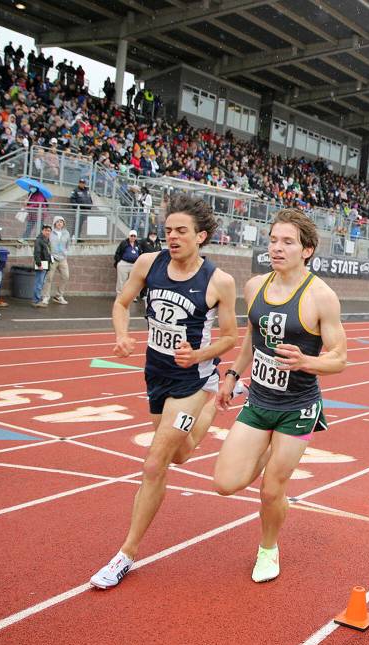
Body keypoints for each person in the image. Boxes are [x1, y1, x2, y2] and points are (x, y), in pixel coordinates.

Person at [90, 195, 239, 589]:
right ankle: (214, 407)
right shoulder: (147, 263)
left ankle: (125, 554)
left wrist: (200, 355)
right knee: (183, 454)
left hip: (191, 379)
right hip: (155, 373)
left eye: (181, 231)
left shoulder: (218, 281)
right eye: (168, 230)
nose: (171, 237)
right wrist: (122, 335)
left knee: (155, 462)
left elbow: (230, 337)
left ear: (201, 236)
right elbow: (121, 303)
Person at [213, 208, 347, 583]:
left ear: (307, 250)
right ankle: (268, 448)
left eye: (287, 241)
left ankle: (268, 549)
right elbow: (251, 340)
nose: (277, 247)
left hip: (298, 407)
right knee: (225, 483)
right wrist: (232, 375)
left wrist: (307, 361)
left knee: (272, 489)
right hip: (259, 401)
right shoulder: (255, 286)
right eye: (273, 240)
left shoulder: (321, 296)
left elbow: (340, 358)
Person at [43, 215, 71, 305]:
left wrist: (65, 252)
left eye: (61, 222)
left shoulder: (66, 233)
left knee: (66, 276)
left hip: (63, 258)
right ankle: (46, 297)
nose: (59, 223)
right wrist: (49, 254)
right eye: (58, 222)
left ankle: (58, 296)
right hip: (52, 258)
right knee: (49, 278)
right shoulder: (50, 232)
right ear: (54, 223)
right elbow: (46, 244)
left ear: (63, 223)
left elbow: (68, 244)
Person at [114, 230, 141, 296]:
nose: (133, 237)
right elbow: (117, 253)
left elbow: (140, 253)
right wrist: (119, 261)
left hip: (134, 265)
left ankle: (131, 296)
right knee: (121, 281)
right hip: (124, 264)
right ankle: (120, 296)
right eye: (131, 236)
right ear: (129, 236)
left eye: (134, 236)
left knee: (133, 281)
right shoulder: (124, 243)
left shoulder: (138, 244)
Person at [31, 224, 52, 307]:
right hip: (42, 264)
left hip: (45, 264)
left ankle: (37, 300)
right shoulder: (39, 240)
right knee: (39, 283)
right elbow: (37, 253)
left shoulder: (46, 240)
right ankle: (36, 301)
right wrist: (39, 264)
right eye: (46, 230)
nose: (48, 232)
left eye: (49, 231)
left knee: (41, 283)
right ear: (42, 231)